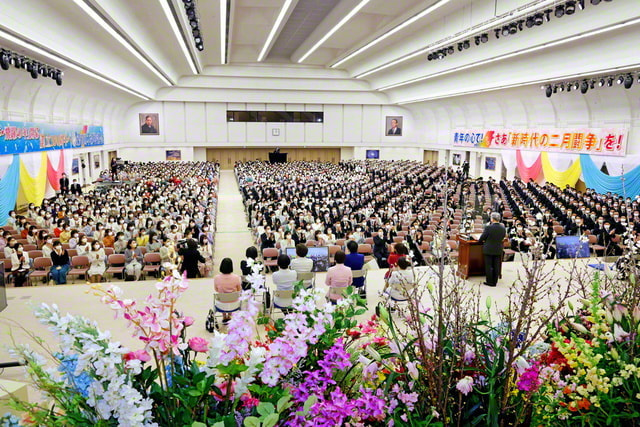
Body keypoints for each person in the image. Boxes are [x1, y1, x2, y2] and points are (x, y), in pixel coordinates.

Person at [477, 212, 506, 287]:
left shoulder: (488, 227)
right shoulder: (503, 228)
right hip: (498, 249)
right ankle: (495, 282)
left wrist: (480, 240)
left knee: (489, 265)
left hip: (489, 249)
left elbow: (482, 238)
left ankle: (489, 281)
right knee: (496, 265)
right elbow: (502, 237)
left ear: (492, 219)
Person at [213, 258, 242, 324]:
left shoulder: (217, 278)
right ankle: (229, 315)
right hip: (234, 304)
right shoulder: (236, 277)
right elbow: (239, 290)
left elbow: (216, 289)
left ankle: (224, 316)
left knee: (223, 296)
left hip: (221, 304)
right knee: (231, 296)